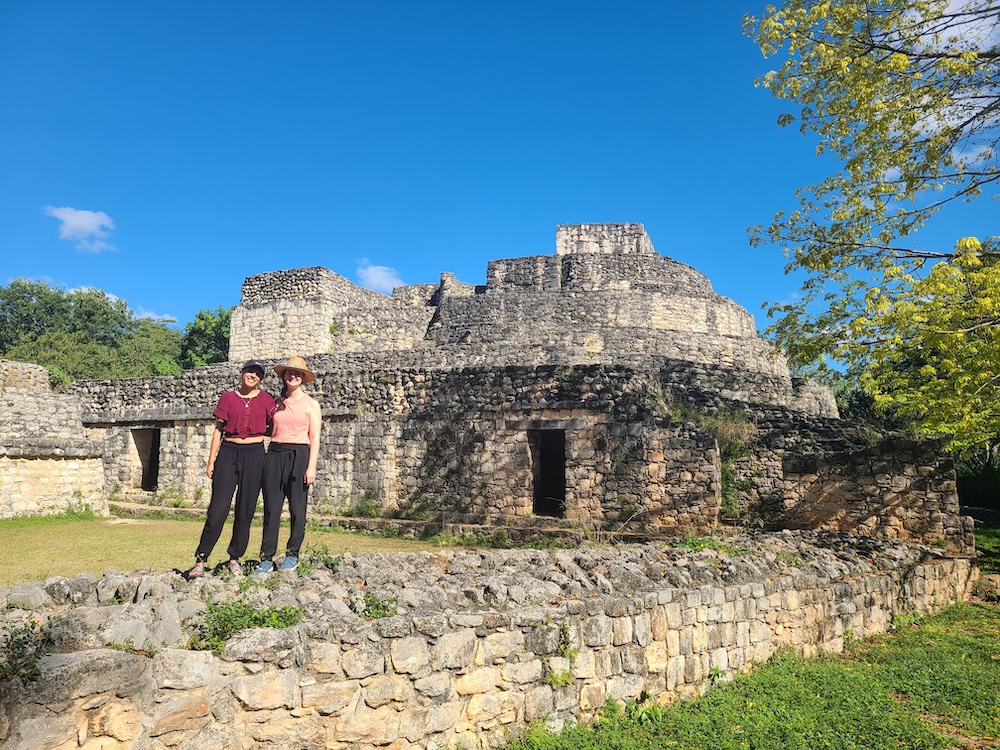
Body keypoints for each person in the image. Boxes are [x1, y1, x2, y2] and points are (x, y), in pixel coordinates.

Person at [185, 360, 276, 579]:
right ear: (242, 373)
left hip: (254, 454)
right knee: (217, 510)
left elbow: (275, 427)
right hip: (228, 451)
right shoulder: (228, 398)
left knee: (245, 510)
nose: (252, 375)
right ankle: (201, 558)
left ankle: (234, 558)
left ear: (261, 379)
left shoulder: (266, 400)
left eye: (257, 373)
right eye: (249, 371)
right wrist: (211, 461)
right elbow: (218, 430)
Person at [254, 356, 322, 573]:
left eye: (298, 373)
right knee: (272, 509)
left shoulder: (312, 404)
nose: (293, 376)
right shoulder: (275, 404)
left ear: (303, 378)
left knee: (298, 509)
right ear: (283, 376)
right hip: (274, 454)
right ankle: (267, 557)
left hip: (299, 454)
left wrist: (311, 467)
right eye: (289, 373)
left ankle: (292, 554)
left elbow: (315, 438)